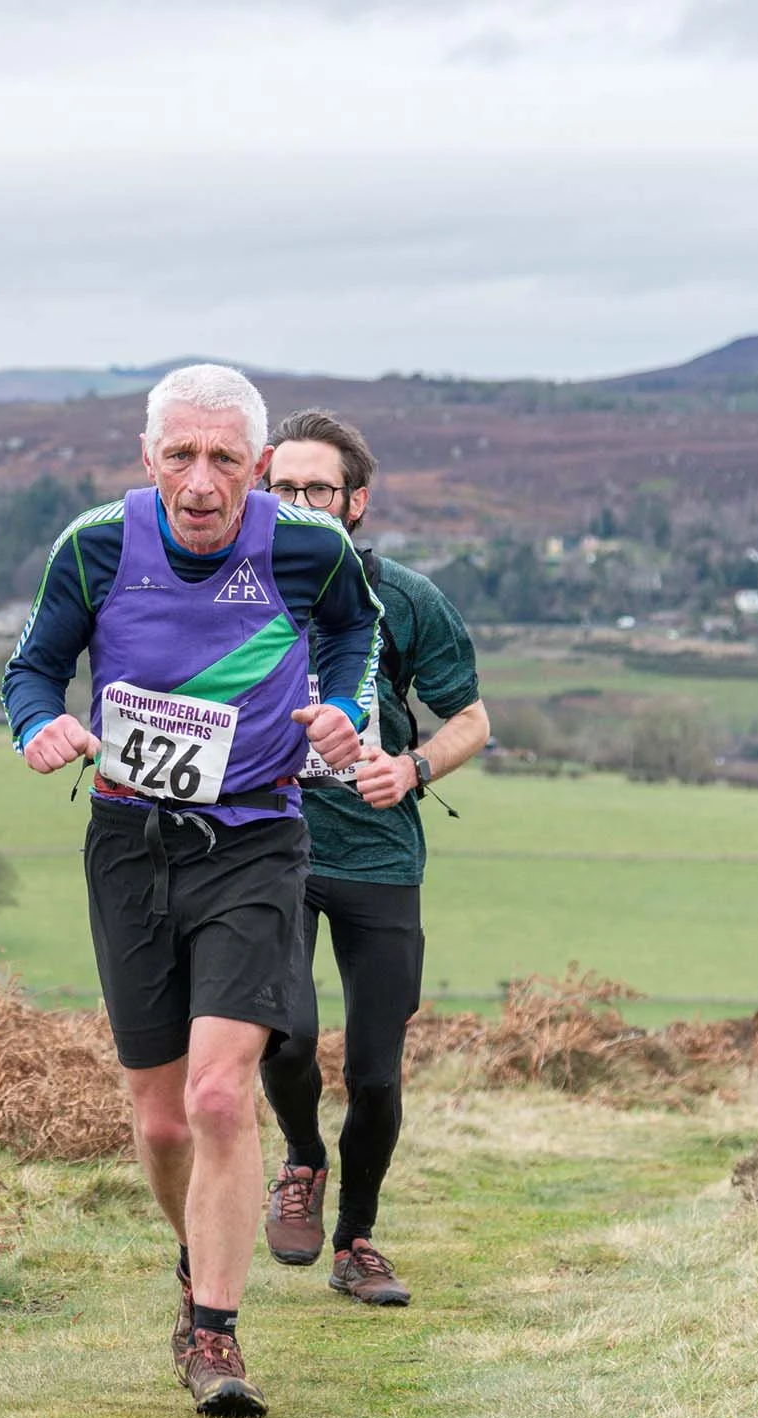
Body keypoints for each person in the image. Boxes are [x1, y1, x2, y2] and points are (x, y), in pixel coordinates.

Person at [2, 365, 382, 1418]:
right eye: (181, 455)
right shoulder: (92, 546)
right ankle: (193, 1256)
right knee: (162, 1120)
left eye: (223, 459)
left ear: (257, 468)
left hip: (257, 836)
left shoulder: (309, 548)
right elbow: (32, 668)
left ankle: (214, 1333)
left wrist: (342, 705)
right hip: (130, 840)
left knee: (221, 1095)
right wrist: (39, 726)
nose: (201, 481)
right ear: (147, 458)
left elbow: (354, 633)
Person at [255, 409, 488, 1305]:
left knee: (377, 1072)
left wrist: (414, 764)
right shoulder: (238, 592)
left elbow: (473, 716)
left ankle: (357, 1241)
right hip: (267, 843)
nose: (302, 501)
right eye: (285, 488)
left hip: (380, 855)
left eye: (319, 488)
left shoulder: (408, 598)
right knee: (286, 1032)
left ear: (355, 501)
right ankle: (303, 1159)